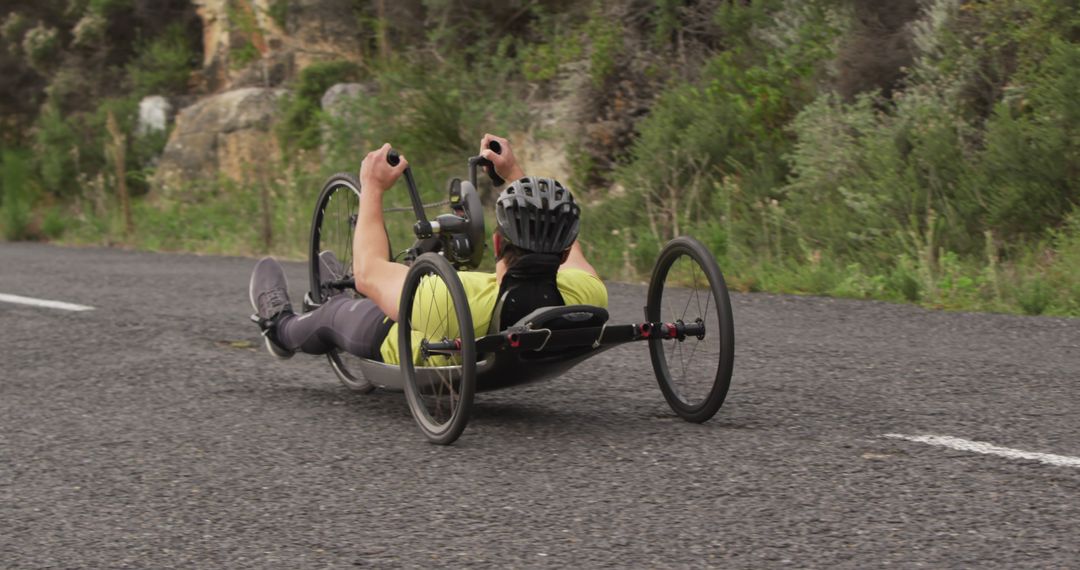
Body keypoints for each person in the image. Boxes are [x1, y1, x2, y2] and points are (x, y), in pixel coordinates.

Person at [248, 134, 607, 365]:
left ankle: (279, 326)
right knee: (395, 280)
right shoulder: (587, 294)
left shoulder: (451, 297)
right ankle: (347, 290)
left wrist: (371, 187)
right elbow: (556, 230)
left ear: (497, 242)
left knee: (336, 311)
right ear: (562, 254)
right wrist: (513, 173)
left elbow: (369, 272)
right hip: (499, 333)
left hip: (400, 335)